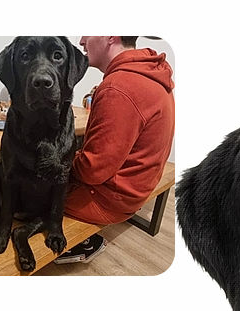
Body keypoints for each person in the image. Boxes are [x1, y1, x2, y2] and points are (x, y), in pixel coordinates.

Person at [62, 36, 174, 227]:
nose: (81, 41)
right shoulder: (149, 72)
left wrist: (61, 162)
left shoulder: (118, 87)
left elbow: (93, 171)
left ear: (110, 36)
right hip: (136, 190)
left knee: (24, 193)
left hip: (108, 201)